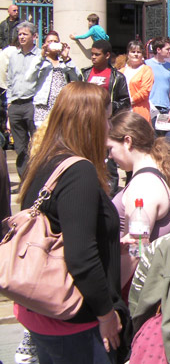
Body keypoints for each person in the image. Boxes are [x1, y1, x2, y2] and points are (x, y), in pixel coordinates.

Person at [16, 82, 126, 363]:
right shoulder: (79, 172)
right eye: (106, 117)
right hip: (77, 320)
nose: (109, 126)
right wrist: (105, 314)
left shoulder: (45, 162)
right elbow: (81, 256)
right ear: (90, 121)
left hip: (45, 315)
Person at [107, 110, 170, 290]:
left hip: (133, 289)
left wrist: (111, 294)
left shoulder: (143, 186)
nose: (110, 156)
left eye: (111, 149)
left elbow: (136, 249)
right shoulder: (153, 175)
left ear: (127, 141)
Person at [82, 39, 131, 195]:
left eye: (97, 54)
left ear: (107, 55)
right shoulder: (85, 74)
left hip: (106, 127)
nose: (93, 57)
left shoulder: (117, 77)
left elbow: (125, 102)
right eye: (92, 54)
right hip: (86, 126)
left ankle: (109, 195)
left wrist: (106, 107)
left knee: (109, 164)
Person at [7, 21, 42, 179]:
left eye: (25, 34)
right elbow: (10, 80)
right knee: (20, 147)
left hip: (31, 104)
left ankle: (37, 178)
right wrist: (9, 104)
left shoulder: (40, 56)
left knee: (36, 144)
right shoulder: (13, 56)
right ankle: (24, 180)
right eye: (20, 34)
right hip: (15, 104)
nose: (21, 37)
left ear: (34, 36)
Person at [33, 31, 81, 128]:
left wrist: (66, 58)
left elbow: (78, 79)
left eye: (56, 41)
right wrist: (42, 55)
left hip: (61, 106)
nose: (53, 44)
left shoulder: (64, 62)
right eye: (50, 41)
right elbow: (29, 75)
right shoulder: (40, 60)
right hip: (43, 107)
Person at [145, 37, 170, 143]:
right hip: (151, 108)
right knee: (153, 142)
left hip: (166, 109)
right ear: (158, 50)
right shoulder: (146, 65)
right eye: (167, 49)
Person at [119, 40, 153, 123]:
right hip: (123, 112)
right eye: (133, 52)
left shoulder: (146, 70)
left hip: (139, 111)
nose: (136, 54)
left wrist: (129, 102)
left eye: (139, 52)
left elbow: (145, 91)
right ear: (128, 54)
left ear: (142, 55)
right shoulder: (121, 72)